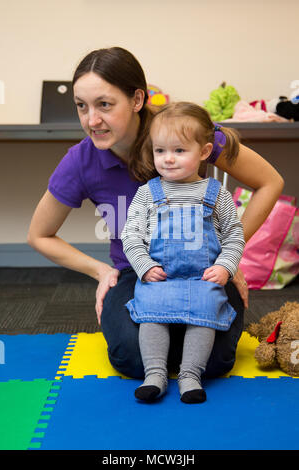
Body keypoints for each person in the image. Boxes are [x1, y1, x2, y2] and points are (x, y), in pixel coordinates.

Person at [27, 46, 284, 381]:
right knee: (133, 360)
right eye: (81, 106)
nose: (91, 120)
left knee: (216, 361)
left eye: (104, 104)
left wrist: (227, 259)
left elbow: (270, 182)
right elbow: (39, 235)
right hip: (140, 273)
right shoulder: (80, 160)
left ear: (137, 99)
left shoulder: (185, 132)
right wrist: (101, 272)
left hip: (203, 270)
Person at [121, 102, 245, 403]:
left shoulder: (216, 194)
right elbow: (131, 235)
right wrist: (144, 265)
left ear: (203, 152)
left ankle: (190, 375)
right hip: (160, 279)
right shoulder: (148, 193)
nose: (168, 160)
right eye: (160, 151)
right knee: (151, 315)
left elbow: (234, 236)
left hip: (203, 280)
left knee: (204, 316)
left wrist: (226, 267)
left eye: (179, 151)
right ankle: (155, 374)